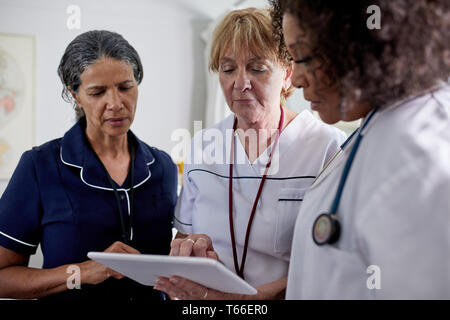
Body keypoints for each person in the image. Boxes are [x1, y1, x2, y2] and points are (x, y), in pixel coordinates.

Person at [154, 8, 346, 300]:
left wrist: (247, 301)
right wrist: (190, 251)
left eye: (257, 68)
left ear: (288, 76)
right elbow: (183, 236)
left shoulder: (327, 148)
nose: (240, 83)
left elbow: (335, 263)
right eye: (228, 69)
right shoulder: (204, 145)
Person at [270, 0, 450, 299]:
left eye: (302, 57)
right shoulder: (378, 124)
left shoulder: (418, 152)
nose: (297, 79)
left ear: (361, 43)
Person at [0, 30, 177, 301]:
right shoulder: (39, 166)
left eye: (125, 87)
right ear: (75, 94)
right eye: (97, 92)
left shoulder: (163, 166)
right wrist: (81, 273)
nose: (116, 104)